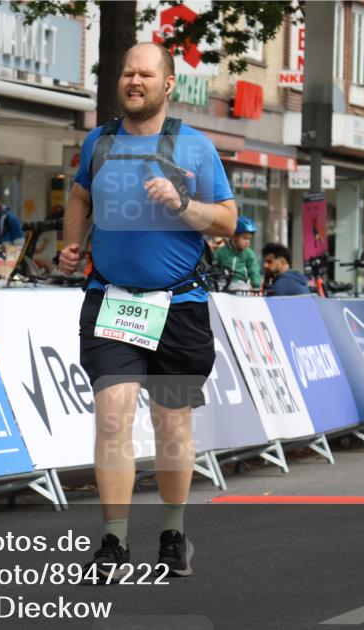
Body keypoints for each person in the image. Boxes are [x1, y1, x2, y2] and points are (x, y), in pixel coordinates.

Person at [58, 42, 237, 580]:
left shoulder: (197, 148)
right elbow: (79, 198)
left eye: (145, 74)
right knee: (112, 416)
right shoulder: (99, 141)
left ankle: (174, 533)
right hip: (111, 299)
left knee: (171, 423)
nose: (133, 80)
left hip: (179, 304)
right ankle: (113, 542)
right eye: (127, 72)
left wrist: (185, 205)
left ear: (168, 85)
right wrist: (72, 246)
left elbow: (227, 222)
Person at [212, 216, 262, 291]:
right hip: (221, 283)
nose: (247, 242)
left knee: (242, 290)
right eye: (245, 238)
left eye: (249, 239)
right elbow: (212, 265)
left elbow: (254, 269)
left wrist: (256, 284)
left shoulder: (249, 253)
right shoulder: (221, 252)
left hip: (240, 284)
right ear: (233, 237)